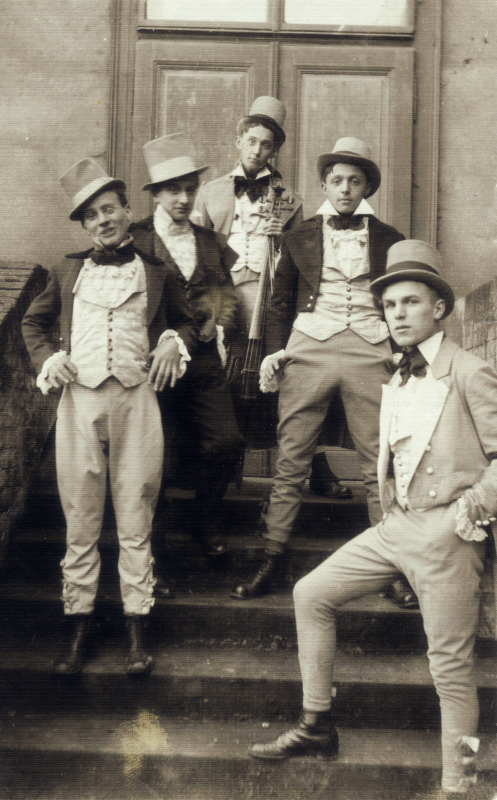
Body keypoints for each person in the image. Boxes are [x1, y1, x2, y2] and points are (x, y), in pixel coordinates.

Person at [249, 239, 497, 798]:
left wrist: (471, 508)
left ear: (439, 307)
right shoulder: (396, 372)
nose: (398, 314)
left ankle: (459, 784)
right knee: (311, 593)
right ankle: (317, 725)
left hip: (448, 535)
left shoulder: (469, 371)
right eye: (389, 305)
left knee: (450, 669)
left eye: (411, 302)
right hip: (395, 527)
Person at [22, 158, 197, 676]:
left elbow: (189, 321)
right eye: (91, 215)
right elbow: (33, 324)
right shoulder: (66, 269)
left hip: (137, 402)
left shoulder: (157, 270)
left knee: (136, 513)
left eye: (109, 209)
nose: (103, 220)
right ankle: (79, 625)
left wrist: (173, 341)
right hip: (79, 403)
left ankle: (137, 628)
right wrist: (49, 359)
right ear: (84, 225)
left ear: (126, 210)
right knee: (81, 517)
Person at [231, 137, 405, 600]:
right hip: (309, 345)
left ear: (366, 187)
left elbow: (400, 300)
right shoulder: (300, 235)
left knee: (378, 463)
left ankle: (392, 567)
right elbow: (278, 303)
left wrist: (399, 351)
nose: (345, 189)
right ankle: (273, 555)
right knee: (291, 460)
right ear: (324, 185)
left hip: (370, 347)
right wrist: (275, 353)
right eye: (337, 180)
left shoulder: (390, 238)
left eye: (354, 181)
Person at [193, 96, 350, 497]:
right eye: (251, 141)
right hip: (223, 297)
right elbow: (197, 251)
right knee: (223, 378)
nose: (257, 150)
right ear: (238, 141)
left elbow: (300, 261)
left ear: (274, 150)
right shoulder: (210, 192)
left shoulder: (288, 198)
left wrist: (280, 244)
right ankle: (225, 469)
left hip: (270, 299)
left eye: (266, 144)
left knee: (287, 378)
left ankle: (315, 466)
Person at [131, 133, 245, 581]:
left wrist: (218, 322)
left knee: (227, 441)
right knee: (152, 452)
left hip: (202, 360)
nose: (183, 198)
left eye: (190, 189)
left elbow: (227, 298)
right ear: (156, 195)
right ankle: (152, 539)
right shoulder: (135, 238)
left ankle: (205, 515)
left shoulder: (209, 240)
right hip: (151, 364)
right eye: (173, 190)